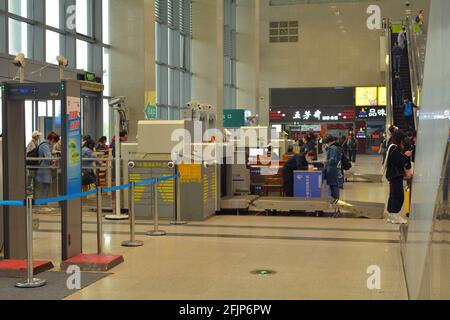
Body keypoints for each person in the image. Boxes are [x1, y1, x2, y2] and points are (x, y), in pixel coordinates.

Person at [383, 130, 413, 225]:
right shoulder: (394, 148)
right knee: (398, 195)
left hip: (393, 174)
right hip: (395, 175)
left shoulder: (391, 147)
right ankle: (395, 215)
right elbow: (399, 161)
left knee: (393, 195)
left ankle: (392, 215)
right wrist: (405, 155)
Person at [35, 132, 60, 207]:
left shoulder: (45, 145)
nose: (54, 143)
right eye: (54, 141)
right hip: (44, 168)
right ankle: (43, 203)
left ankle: (43, 202)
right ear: (52, 139)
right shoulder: (45, 145)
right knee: (45, 186)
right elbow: (48, 157)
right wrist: (53, 160)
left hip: (44, 168)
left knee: (46, 186)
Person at [323, 134, 342, 202]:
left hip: (332, 170)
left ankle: (336, 200)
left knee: (334, 185)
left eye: (325, 143)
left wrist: (325, 162)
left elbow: (333, 160)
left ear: (328, 142)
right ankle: (335, 200)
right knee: (333, 185)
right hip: (332, 169)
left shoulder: (333, 148)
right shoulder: (335, 147)